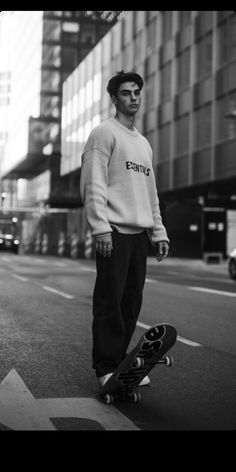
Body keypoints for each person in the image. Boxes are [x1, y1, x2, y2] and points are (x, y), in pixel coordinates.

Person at [80, 70, 169, 389]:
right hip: (114, 232)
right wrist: (100, 227)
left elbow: (150, 193)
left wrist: (158, 233)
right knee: (110, 300)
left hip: (138, 237)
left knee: (131, 302)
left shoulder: (143, 144)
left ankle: (120, 364)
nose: (134, 97)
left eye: (137, 92)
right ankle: (105, 365)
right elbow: (94, 183)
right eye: (127, 93)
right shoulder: (104, 133)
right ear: (114, 98)